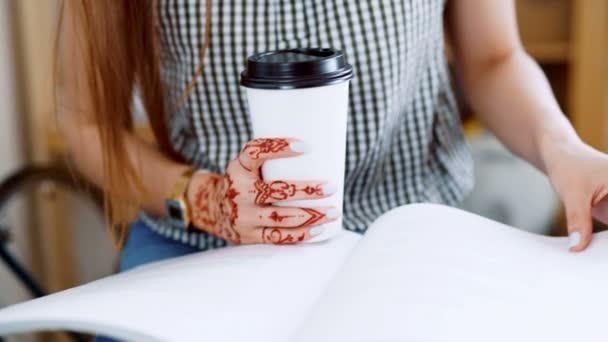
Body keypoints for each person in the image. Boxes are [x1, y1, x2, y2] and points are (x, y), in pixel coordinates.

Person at [59, 0, 608, 275]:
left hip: (406, 233)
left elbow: (493, 59)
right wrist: (209, 201)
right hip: (198, 245)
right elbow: (85, 124)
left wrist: (564, 149)